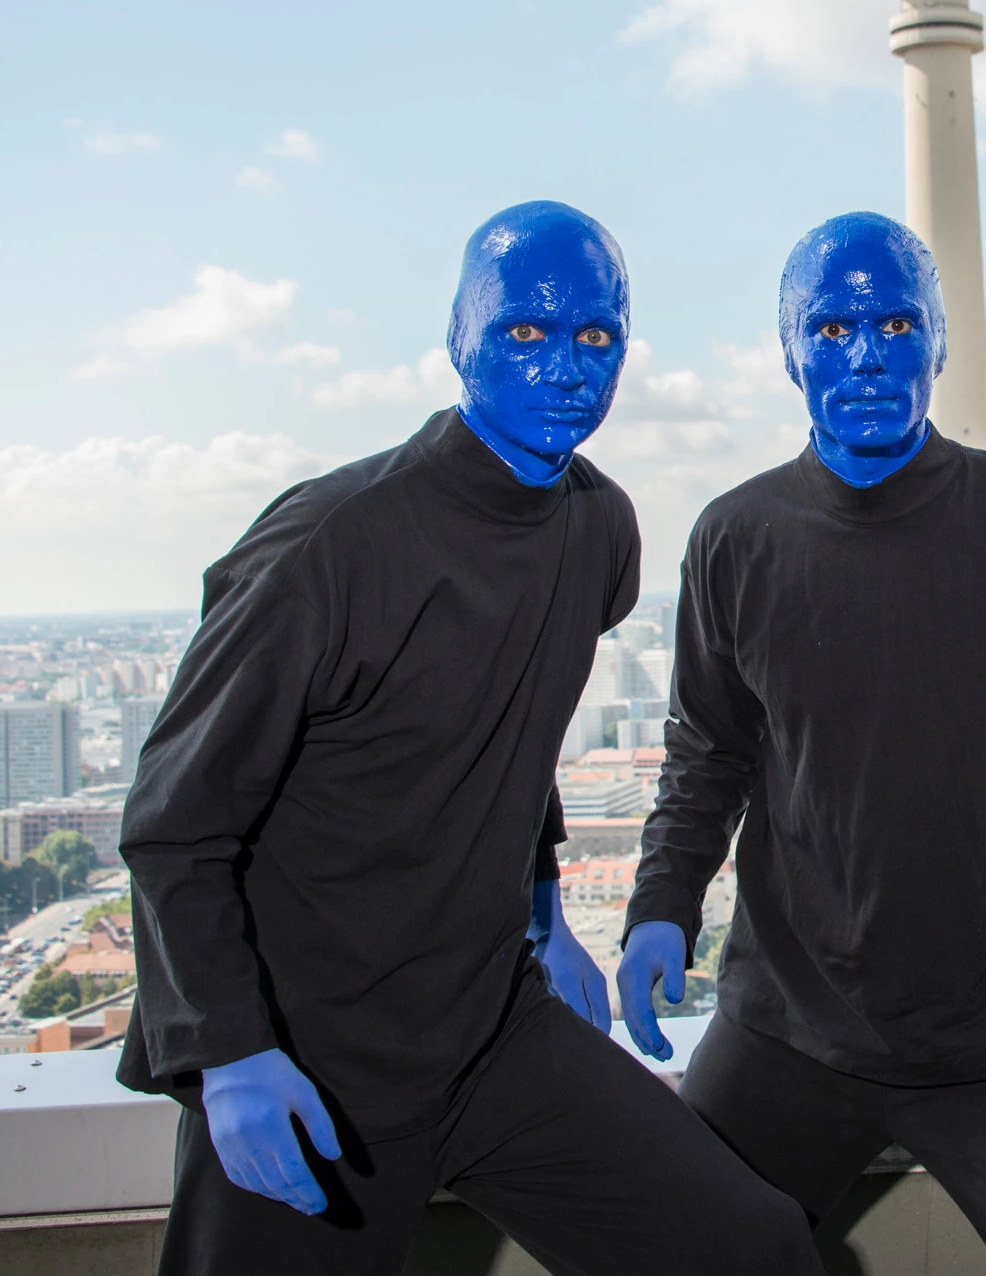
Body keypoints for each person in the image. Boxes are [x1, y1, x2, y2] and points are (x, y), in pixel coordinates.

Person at [118, 201, 819, 1276]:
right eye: (522, 335)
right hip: (313, 1063)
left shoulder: (599, 529)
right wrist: (229, 1054)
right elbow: (176, 826)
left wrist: (543, 911)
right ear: (458, 338)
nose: (564, 367)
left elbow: (506, 729)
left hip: (491, 1034)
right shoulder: (327, 545)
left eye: (594, 338)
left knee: (750, 1247)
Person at [615, 213, 986, 1276]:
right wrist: (658, 907)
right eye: (828, 329)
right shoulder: (734, 537)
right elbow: (707, 753)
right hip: (790, 1025)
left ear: (940, 341)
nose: (863, 355)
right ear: (788, 352)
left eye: (896, 322)